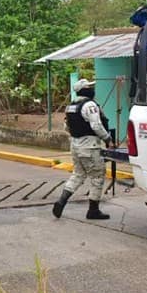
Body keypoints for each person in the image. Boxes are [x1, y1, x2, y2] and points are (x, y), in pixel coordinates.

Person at [52, 79, 112, 220]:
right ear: (85, 91)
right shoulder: (89, 105)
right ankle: (93, 210)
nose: (92, 89)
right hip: (89, 147)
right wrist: (108, 139)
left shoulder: (71, 106)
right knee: (97, 177)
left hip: (75, 145)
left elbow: (66, 127)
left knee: (78, 174)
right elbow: (96, 126)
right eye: (89, 87)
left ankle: (61, 201)